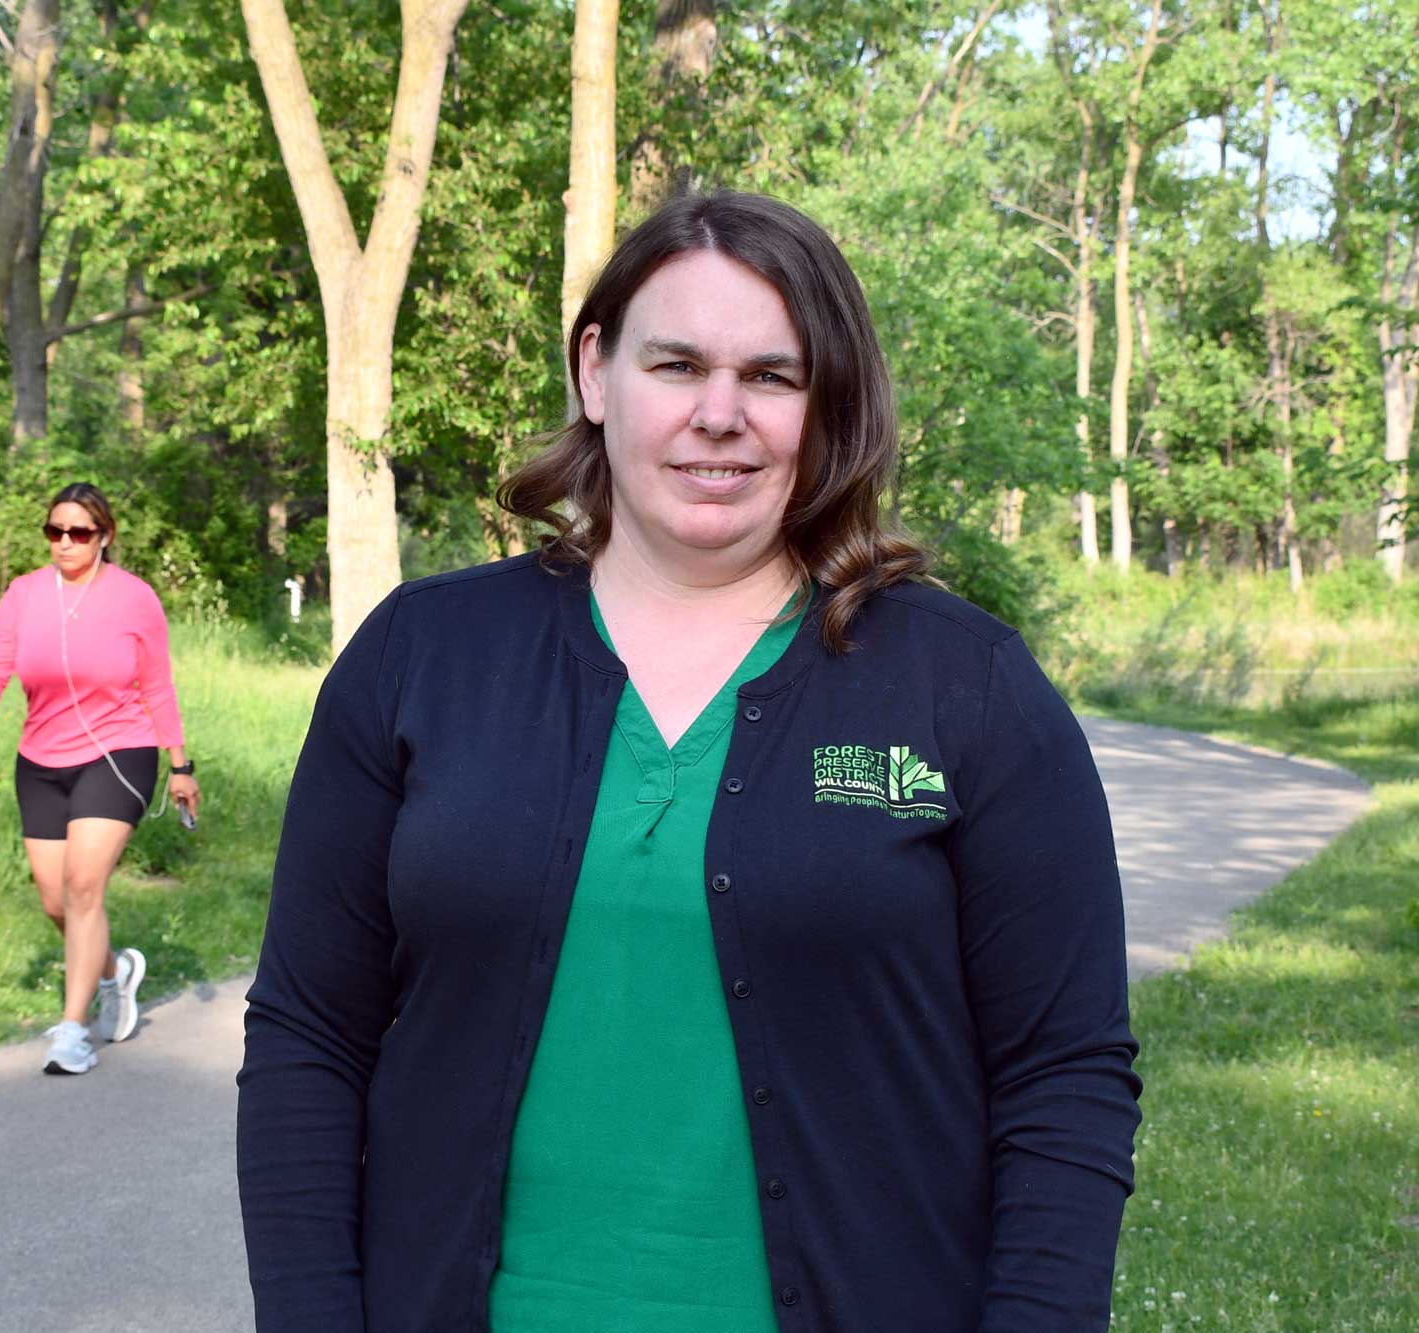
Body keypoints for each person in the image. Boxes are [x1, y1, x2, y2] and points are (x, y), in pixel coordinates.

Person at [237, 191, 1141, 1331]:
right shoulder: (421, 660)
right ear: (593, 374)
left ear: (826, 407)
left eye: (771, 375)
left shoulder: (965, 687)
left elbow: (1064, 1080)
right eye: (675, 365)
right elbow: (306, 1038)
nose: (721, 415)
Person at [0, 482, 199, 1076]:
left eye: (79, 533)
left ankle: (72, 1032)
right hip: (40, 758)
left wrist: (180, 764)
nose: (65, 543)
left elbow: (157, 685)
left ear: (104, 536)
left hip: (118, 754)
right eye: (55, 532)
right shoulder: (24, 594)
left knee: (84, 886)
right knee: (53, 898)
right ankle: (116, 971)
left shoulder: (135, 598)